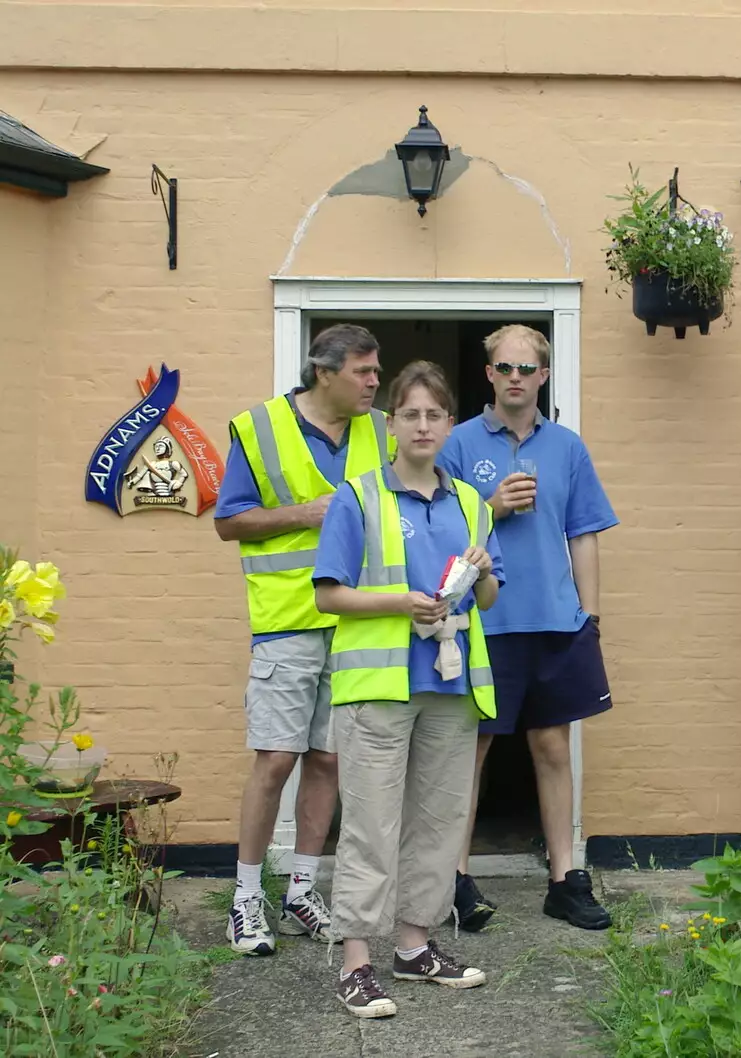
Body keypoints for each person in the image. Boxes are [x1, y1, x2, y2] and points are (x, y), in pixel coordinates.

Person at [312, 360, 503, 1018]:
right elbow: (329, 593)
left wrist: (481, 571)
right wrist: (400, 602)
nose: (423, 425)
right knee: (370, 825)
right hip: (377, 686)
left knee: (438, 822)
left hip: (451, 686)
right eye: (411, 415)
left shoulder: (473, 503)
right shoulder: (358, 496)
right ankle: (357, 962)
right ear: (390, 424)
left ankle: (415, 946)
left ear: (451, 424)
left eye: (435, 414)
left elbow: (490, 593)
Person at [213, 323, 393, 956]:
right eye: (364, 372)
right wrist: (304, 513)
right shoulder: (258, 429)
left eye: (376, 372)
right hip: (286, 622)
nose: (375, 382)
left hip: (354, 623)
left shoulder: (381, 431)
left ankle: (300, 891)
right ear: (325, 373)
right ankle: (244, 899)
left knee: (329, 760)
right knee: (275, 760)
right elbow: (229, 521)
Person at [440, 324, 619, 931]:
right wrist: (489, 507)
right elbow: (438, 529)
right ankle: (455, 880)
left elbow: (584, 532)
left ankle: (565, 880)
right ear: (488, 374)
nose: (515, 378)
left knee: (552, 746)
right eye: (504, 368)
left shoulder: (567, 447)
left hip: (554, 621)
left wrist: (589, 616)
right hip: (484, 622)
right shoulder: (458, 444)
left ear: (544, 375)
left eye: (527, 369)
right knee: (472, 749)